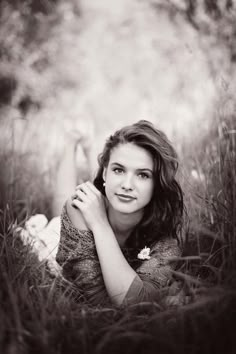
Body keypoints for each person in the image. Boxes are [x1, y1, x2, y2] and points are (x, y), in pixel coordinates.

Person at [55, 120, 185, 307]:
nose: (127, 185)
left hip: (103, 210)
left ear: (157, 184)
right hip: (56, 236)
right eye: (118, 170)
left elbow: (134, 301)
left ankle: (89, 146)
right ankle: (71, 141)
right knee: (61, 205)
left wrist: (101, 225)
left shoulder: (166, 244)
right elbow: (101, 300)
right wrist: (99, 224)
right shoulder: (81, 210)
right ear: (105, 173)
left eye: (143, 175)